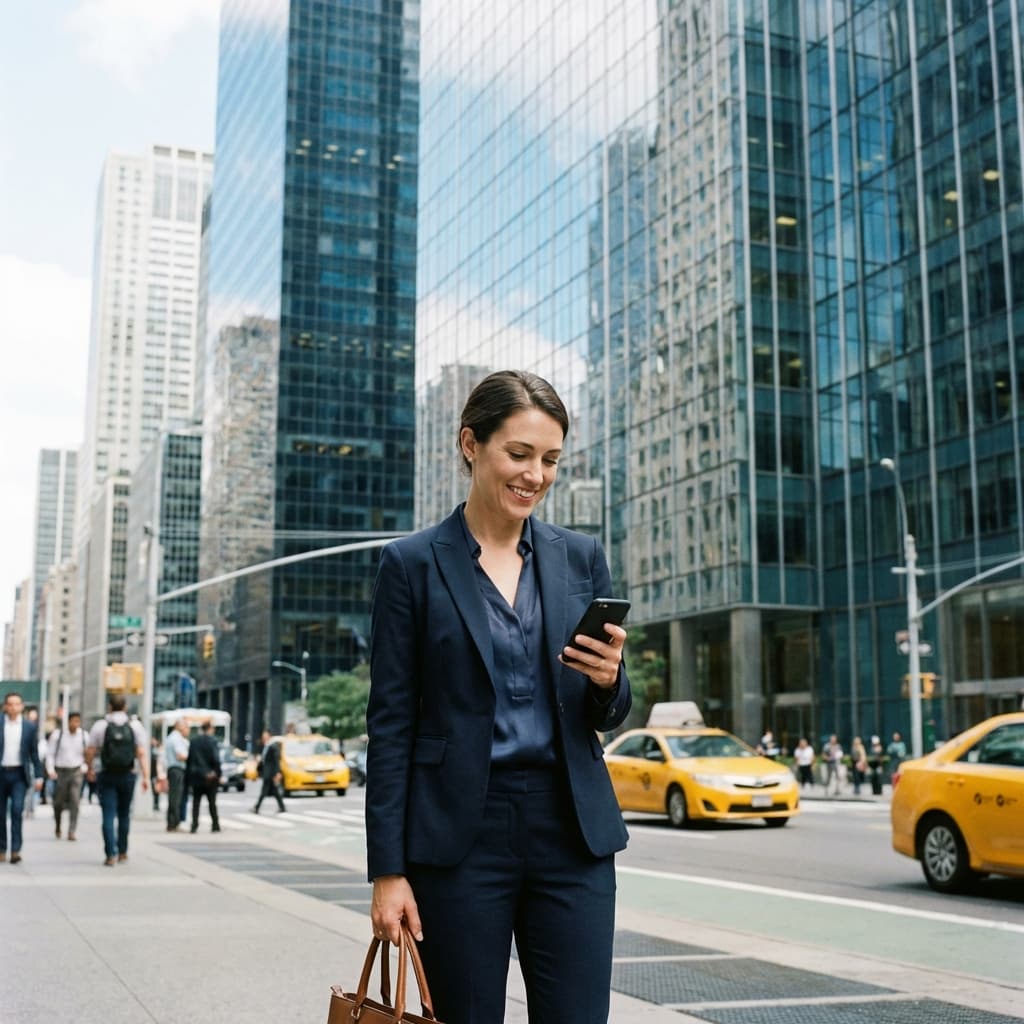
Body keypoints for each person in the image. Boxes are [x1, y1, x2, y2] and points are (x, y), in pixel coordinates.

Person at [367, 370, 632, 1024]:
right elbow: (391, 726)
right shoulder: (412, 565)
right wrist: (388, 872)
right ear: (471, 444)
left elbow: (607, 710)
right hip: (460, 837)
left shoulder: (580, 558)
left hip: (571, 833)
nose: (535, 476)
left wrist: (609, 680)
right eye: (519, 454)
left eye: (551, 460)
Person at [85, 694, 149, 866]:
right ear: (125, 707)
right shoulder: (135, 726)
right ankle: (122, 851)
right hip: (128, 774)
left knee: (108, 814)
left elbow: (90, 750)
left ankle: (110, 854)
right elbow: (141, 753)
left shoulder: (100, 725)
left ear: (109, 707)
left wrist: (89, 769)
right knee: (124, 814)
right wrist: (146, 776)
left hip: (106, 774)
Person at [0, 692, 44, 863]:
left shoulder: (29, 727)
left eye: (17, 704)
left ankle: (15, 850)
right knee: (1, 813)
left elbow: (34, 753)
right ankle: (2, 848)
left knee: (17, 810)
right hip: (1, 773)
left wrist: (39, 776)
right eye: (10, 704)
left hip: (19, 774)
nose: (13, 707)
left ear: (22, 706)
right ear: (5, 706)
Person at [46, 710, 87, 840]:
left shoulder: (84, 736)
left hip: (76, 771)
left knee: (75, 801)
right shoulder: (58, 735)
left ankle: (72, 830)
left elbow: (88, 753)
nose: (75, 724)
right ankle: (58, 825)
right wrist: (50, 769)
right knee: (58, 802)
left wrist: (85, 766)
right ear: (68, 722)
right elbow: (50, 753)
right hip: (61, 771)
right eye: (73, 721)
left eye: (78, 721)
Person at [187, 721, 221, 833]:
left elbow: (190, 760)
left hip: (197, 776)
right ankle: (215, 824)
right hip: (210, 777)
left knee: (196, 802)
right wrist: (217, 773)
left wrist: (190, 776)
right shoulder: (213, 741)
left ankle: (194, 825)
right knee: (212, 802)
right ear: (210, 729)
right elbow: (216, 759)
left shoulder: (194, 741)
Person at [163, 719, 190, 832]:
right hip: (177, 769)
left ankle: (171, 822)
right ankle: (174, 823)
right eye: (186, 727)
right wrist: (191, 756)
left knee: (173, 797)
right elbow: (180, 755)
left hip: (173, 770)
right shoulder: (177, 738)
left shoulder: (171, 737)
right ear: (180, 727)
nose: (188, 729)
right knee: (176, 797)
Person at [252, 730, 285, 814]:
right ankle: (282, 807)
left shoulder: (273, 746)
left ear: (269, 736)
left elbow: (276, 761)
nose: (264, 738)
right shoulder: (266, 746)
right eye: (263, 737)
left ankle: (257, 807)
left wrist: (277, 772)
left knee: (264, 791)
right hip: (267, 772)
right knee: (275, 792)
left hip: (270, 773)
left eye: (265, 736)